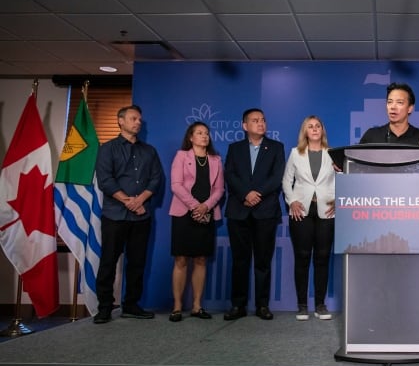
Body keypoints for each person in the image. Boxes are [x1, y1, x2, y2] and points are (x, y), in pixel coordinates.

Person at [93, 105, 163, 324]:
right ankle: (104, 307)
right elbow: (105, 180)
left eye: (140, 119)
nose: (138, 122)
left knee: (137, 263)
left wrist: (140, 200)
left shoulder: (149, 151)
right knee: (108, 262)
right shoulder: (108, 149)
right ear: (120, 121)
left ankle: (131, 305)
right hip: (114, 216)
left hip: (141, 216)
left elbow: (156, 178)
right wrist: (128, 201)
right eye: (133, 118)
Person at [223, 108, 285, 321]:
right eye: (255, 120)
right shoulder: (235, 148)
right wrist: (245, 194)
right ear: (245, 125)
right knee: (239, 261)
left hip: (265, 211)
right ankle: (238, 306)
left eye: (263, 120)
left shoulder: (276, 147)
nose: (261, 123)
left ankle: (262, 306)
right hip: (238, 211)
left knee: (263, 261)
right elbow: (229, 175)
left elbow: (277, 176)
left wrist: (257, 193)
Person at [167, 122, 225, 322]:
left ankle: (197, 306)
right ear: (190, 137)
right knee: (181, 259)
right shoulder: (181, 156)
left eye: (206, 133)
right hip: (184, 214)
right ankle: (177, 306)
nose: (204, 136)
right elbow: (176, 185)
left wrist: (205, 207)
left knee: (201, 259)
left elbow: (219, 190)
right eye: (199, 133)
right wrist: (194, 206)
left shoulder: (216, 160)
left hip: (206, 214)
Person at [282, 116, 336, 321]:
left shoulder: (332, 154)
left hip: (327, 211)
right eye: (310, 127)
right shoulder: (295, 153)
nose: (314, 129)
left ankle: (320, 305)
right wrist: (291, 201)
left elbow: (342, 179)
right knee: (303, 257)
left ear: (322, 130)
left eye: (318, 126)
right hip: (301, 211)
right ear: (304, 132)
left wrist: (337, 200)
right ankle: (302, 305)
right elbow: (287, 181)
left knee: (322, 257)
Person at [359, 82, 419, 146]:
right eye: (389, 102)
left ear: (410, 108)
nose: (393, 107)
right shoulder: (372, 136)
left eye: (399, 102)